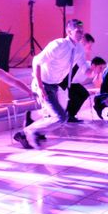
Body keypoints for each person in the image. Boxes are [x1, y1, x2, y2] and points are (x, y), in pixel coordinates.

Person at [15, 19, 90, 149]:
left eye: (82, 31)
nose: (81, 34)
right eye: (78, 31)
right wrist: (40, 87)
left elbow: (85, 68)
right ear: (69, 31)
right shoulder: (58, 45)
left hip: (55, 85)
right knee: (60, 117)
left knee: (57, 116)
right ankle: (31, 132)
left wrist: (93, 70)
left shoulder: (79, 48)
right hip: (43, 84)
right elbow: (36, 62)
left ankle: (24, 134)